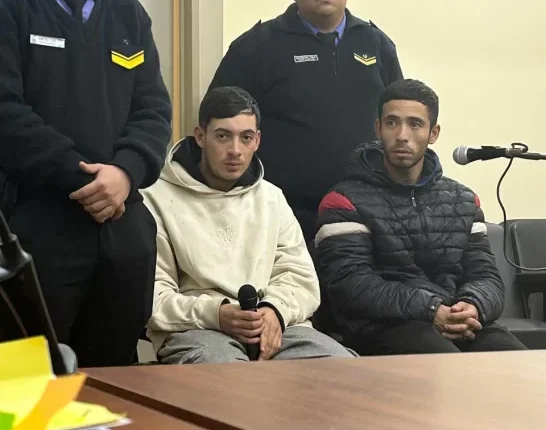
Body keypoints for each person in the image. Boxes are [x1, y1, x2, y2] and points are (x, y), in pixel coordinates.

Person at [0, 0, 172, 366]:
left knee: (115, 380)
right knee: (30, 377)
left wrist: (125, 172)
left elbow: (154, 110)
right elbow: (6, 112)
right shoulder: (13, 9)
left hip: (123, 226)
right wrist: (86, 178)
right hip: (37, 225)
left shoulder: (128, 13)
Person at [142, 86, 354, 364]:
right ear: (200, 136)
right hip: (197, 330)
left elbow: (300, 279)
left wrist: (275, 311)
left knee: (342, 369)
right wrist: (216, 314)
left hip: (278, 327)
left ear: (257, 140)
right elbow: (151, 297)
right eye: (223, 136)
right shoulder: (155, 198)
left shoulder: (271, 198)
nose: (235, 151)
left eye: (246, 138)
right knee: (229, 379)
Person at [314, 79, 527, 355]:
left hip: (456, 318)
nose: (402, 135)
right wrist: (431, 310)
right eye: (392, 123)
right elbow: (351, 285)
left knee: (521, 366)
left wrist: (473, 306)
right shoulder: (343, 200)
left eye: (415, 124)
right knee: (447, 366)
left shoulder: (464, 200)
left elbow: (486, 276)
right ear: (378, 128)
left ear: (433, 133)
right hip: (380, 326)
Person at [208, 0, 403, 242]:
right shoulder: (255, 48)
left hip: (366, 216)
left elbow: (399, 121)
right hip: (282, 220)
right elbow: (219, 128)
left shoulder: (376, 44)